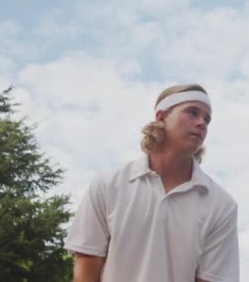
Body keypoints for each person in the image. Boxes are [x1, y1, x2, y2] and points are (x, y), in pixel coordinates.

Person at [64, 84, 239, 282]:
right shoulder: (108, 185)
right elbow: (87, 266)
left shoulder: (222, 205)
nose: (202, 123)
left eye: (207, 119)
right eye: (192, 112)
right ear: (161, 117)